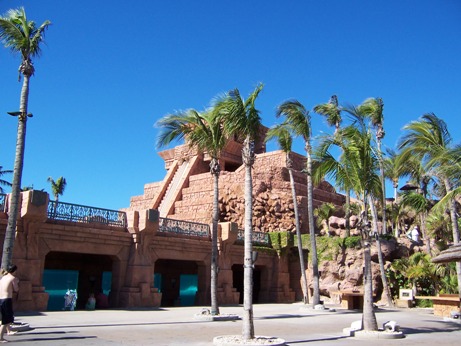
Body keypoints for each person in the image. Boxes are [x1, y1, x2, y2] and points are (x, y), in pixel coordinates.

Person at [0, 264, 19, 343]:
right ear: (14, 271)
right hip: (7, 300)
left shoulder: (3, 277)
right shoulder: (13, 278)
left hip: (1, 299)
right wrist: (17, 282)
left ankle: (8, 331)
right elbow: (16, 289)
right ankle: (0, 338)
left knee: (6, 318)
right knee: (6, 320)